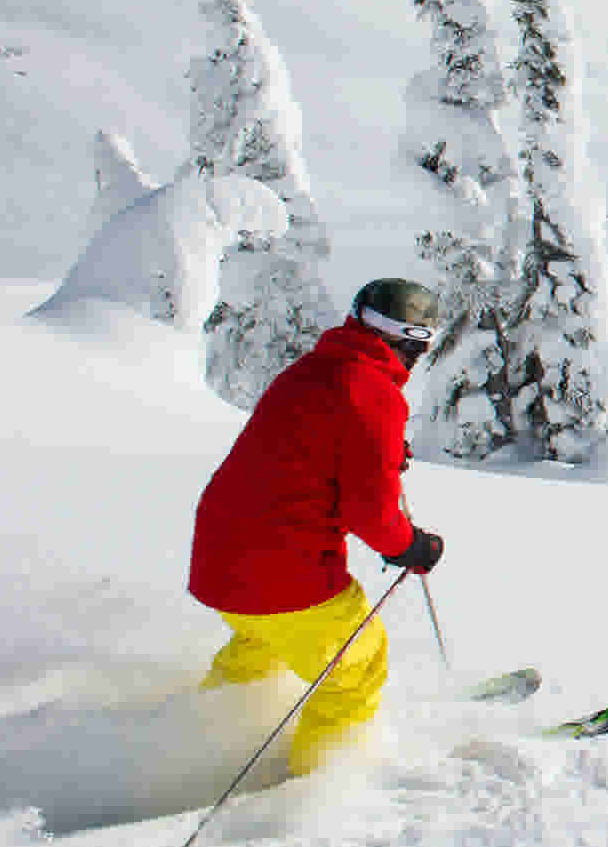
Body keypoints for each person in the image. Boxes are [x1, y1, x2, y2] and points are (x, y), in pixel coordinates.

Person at [188, 278, 448, 776]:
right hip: (286, 573)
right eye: (422, 346)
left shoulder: (315, 368)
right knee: (357, 667)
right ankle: (316, 788)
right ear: (408, 340)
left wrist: (378, 450)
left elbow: (311, 443)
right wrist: (411, 546)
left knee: (260, 646)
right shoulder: (373, 391)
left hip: (220, 559)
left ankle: (195, 743)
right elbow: (370, 514)